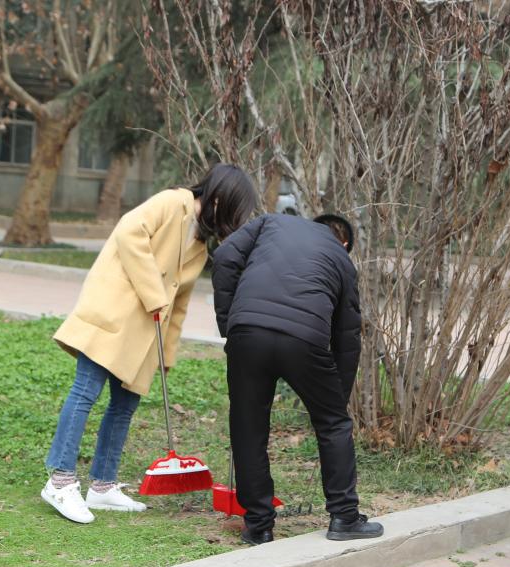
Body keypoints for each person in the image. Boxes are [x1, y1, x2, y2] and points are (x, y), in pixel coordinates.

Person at [42, 164, 258, 524]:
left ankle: (102, 486)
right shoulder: (173, 202)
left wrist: (166, 354)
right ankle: (60, 482)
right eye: (235, 212)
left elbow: (180, 304)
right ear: (220, 200)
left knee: (124, 406)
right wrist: (154, 293)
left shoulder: (200, 245)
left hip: (145, 333)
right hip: (114, 313)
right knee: (85, 393)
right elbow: (129, 231)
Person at [212, 211, 383, 545]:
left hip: (247, 333)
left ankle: (258, 526)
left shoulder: (270, 223)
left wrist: (229, 321)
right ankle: (344, 517)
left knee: (248, 427)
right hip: (303, 340)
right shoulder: (342, 260)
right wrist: (336, 402)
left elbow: (224, 256)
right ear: (343, 242)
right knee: (333, 425)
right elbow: (347, 337)